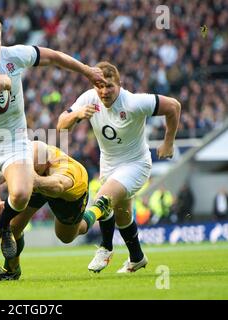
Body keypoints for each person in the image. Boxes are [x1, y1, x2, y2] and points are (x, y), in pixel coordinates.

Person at [0, 15, 106, 283]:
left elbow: (53, 57)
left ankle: (5, 227)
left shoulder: (14, 55)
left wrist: (86, 70)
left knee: (22, 193)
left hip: (14, 140)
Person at [57, 61, 181, 273]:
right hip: (108, 164)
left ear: (119, 84)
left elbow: (174, 106)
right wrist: (77, 115)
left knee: (103, 198)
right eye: (100, 86)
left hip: (136, 164)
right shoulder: (88, 98)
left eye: (109, 86)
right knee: (122, 214)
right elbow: (60, 125)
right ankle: (137, 257)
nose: (104, 91)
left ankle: (104, 246)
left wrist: (168, 142)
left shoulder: (133, 102)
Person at [0, 141, 110, 281]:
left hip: (67, 195)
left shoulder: (66, 169)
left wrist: (33, 180)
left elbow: (58, 186)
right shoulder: (28, 156)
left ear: (47, 164)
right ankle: (12, 270)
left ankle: (99, 209)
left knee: (66, 237)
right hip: (39, 181)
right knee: (13, 226)